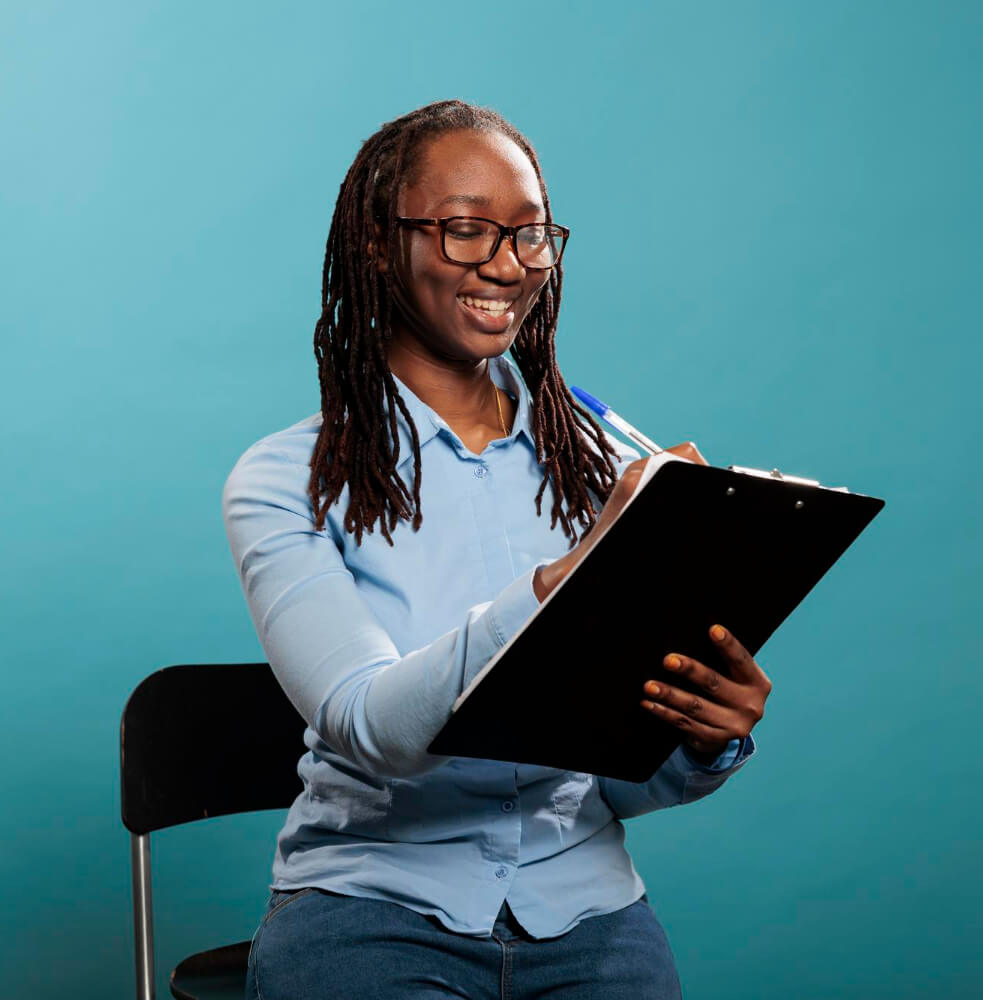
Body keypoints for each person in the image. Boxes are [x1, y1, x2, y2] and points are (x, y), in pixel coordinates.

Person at [222, 100, 772, 1000]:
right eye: (468, 230)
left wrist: (698, 739)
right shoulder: (289, 477)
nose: (508, 266)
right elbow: (372, 728)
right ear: (374, 241)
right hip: (372, 914)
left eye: (530, 236)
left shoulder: (604, 466)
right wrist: (573, 572)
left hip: (588, 914)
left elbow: (611, 780)